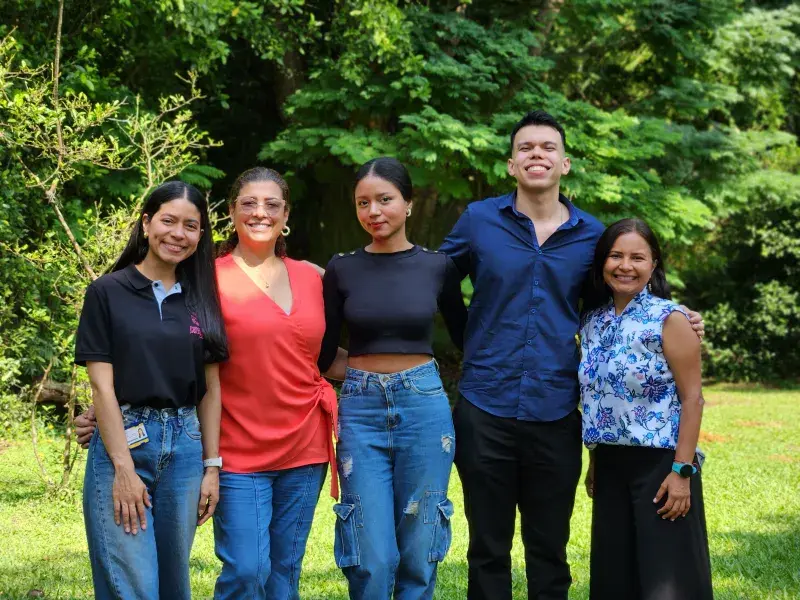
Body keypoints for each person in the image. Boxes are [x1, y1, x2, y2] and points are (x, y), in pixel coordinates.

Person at [439, 110, 705, 599]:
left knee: (549, 549)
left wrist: (678, 318)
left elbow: (619, 303)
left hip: (558, 412)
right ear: (510, 165)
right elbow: (438, 280)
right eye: (525, 148)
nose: (536, 154)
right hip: (484, 407)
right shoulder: (478, 221)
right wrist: (468, 337)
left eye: (547, 148)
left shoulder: (592, 236)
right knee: (487, 548)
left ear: (565, 164)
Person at [77, 167, 347, 600]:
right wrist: (110, 414)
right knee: (244, 570)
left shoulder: (312, 277)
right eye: (248, 204)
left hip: (299, 442)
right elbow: (150, 345)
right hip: (234, 443)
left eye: (272, 204)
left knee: (279, 573)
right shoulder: (205, 280)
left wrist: (393, 376)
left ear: (286, 214)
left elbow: (322, 356)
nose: (260, 213)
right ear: (230, 213)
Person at [317, 157, 467, 600]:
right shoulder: (342, 268)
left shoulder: (438, 266)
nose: (374, 211)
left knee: (420, 541)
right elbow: (322, 353)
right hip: (360, 409)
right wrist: (364, 373)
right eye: (363, 202)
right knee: (369, 547)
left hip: (424, 407)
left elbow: (469, 337)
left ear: (408, 203)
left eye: (385, 199)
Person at [75, 181, 228, 600]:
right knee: (134, 584)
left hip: (185, 449)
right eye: (168, 221)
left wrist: (211, 467)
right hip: (124, 443)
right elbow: (101, 386)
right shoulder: (107, 292)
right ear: (146, 223)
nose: (178, 234)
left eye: (191, 226)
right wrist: (123, 468)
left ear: (200, 236)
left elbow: (210, 389)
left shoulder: (202, 299)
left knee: (173, 583)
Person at [579, 218, 713, 600]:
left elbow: (693, 399)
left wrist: (681, 472)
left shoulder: (671, 319)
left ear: (653, 265)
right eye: (616, 256)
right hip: (610, 467)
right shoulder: (591, 322)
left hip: (662, 466)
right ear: (602, 263)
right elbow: (600, 400)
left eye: (638, 257)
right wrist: (594, 463)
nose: (626, 266)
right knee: (614, 579)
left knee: (667, 583)